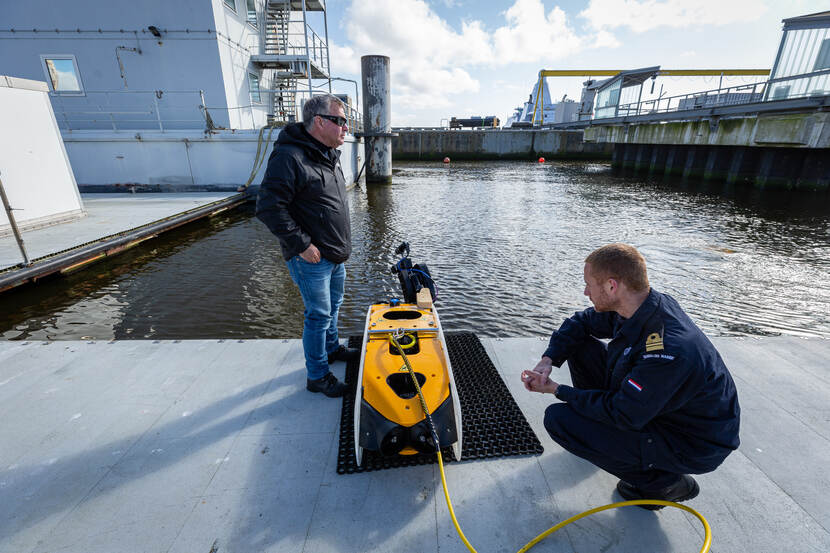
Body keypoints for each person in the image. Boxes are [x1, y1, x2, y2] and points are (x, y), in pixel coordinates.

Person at [522, 243, 740, 509]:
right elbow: (580, 322)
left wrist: (557, 389)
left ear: (612, 286)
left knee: (560, 421)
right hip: (654, 406)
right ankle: (602, 437)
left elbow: (622, 413)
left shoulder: (667, 352)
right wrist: (548, 360)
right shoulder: (640, 306)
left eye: (589, 285)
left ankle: (662, 485)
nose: (586, 292)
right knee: (579, 344)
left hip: (690, 441)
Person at [256, 94, 357, 398]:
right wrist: (302, 245)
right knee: (318, 316)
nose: (346, 128)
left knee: (333, 308)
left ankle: (332, 349)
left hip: (334, 254)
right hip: (311, 258)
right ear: (320, 121)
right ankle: (318, 376)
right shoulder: (290, 157)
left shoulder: (328, 155)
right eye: (341, 121)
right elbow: (269, 207)